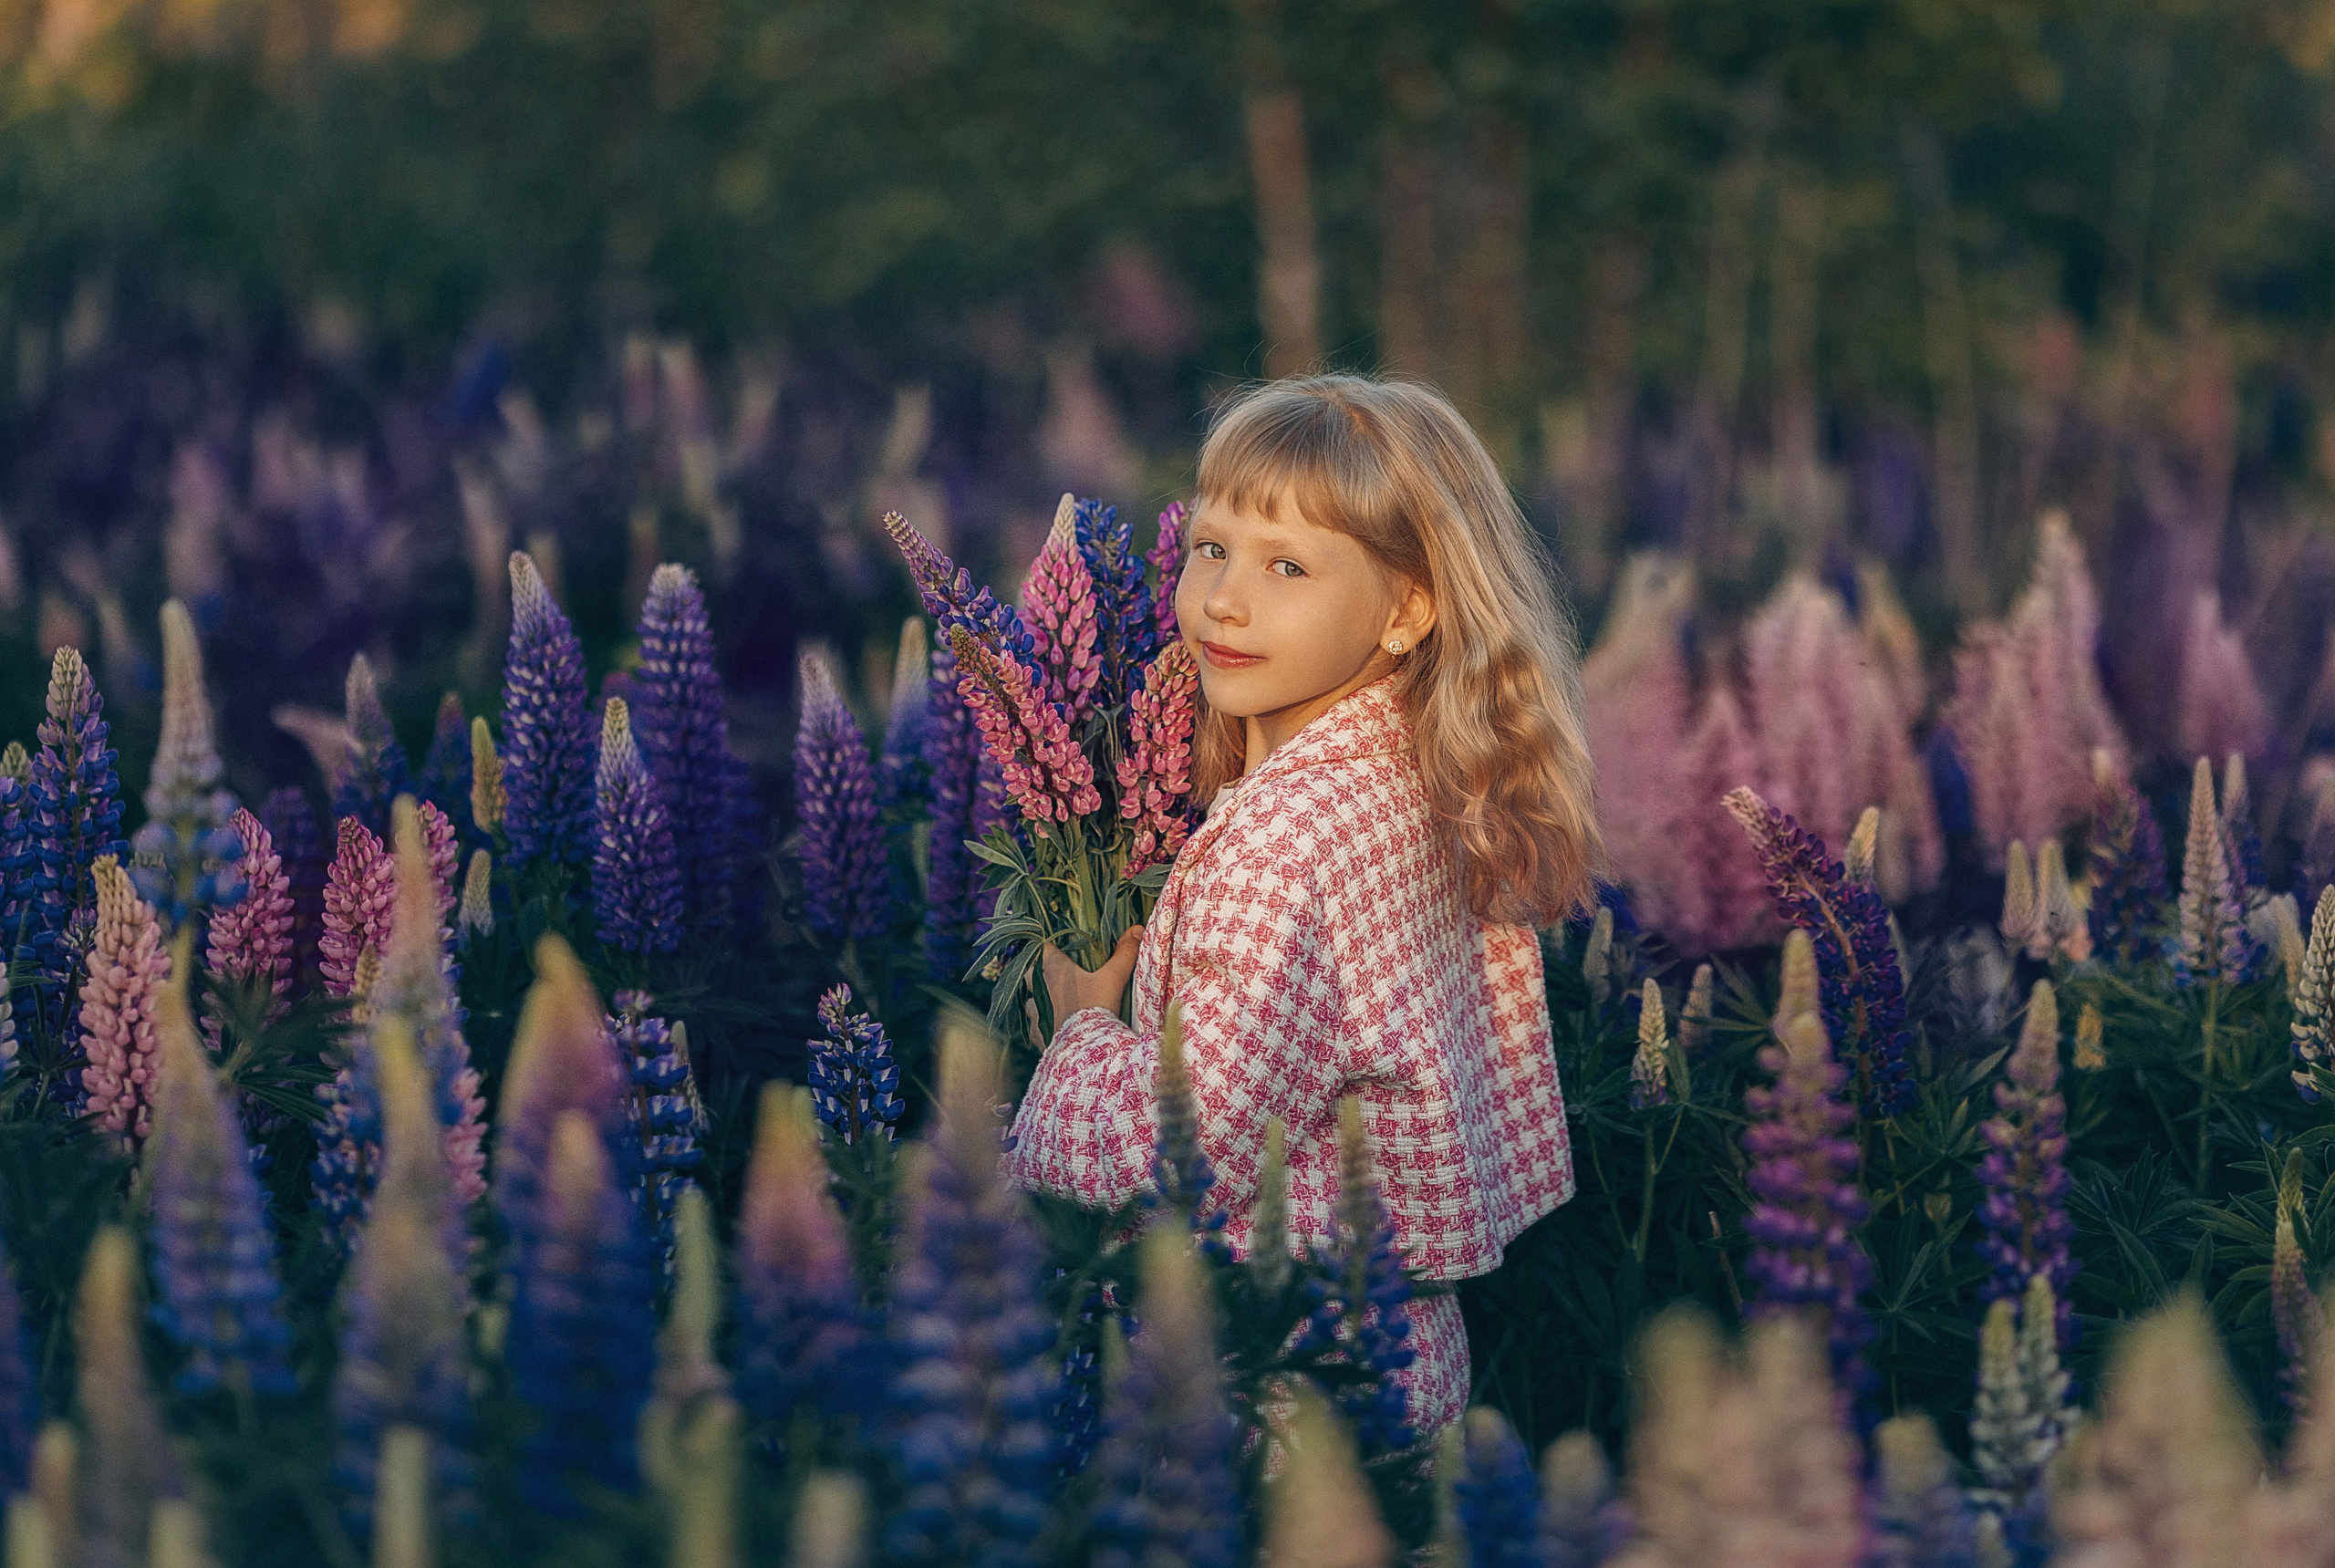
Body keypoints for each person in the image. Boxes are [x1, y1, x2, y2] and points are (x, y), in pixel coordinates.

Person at [1002, 371, 1604, 1443]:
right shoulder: (1427, 779)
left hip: (1267, 1372)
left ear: (1409, 608)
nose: (1225, 599)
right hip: (1398, 1350)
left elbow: (1184, 1146)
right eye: (1211, 548)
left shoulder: (1282, 839)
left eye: (1287, 566)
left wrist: (1081, 1030)